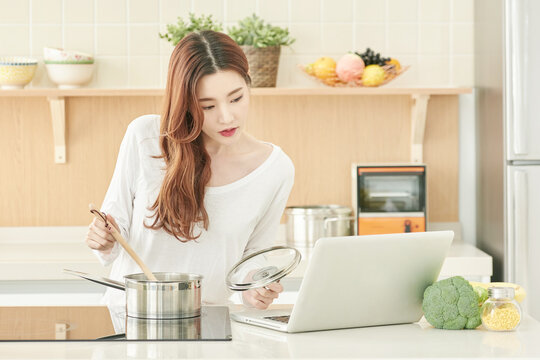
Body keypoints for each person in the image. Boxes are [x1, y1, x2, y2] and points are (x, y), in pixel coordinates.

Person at [85, 30, 295, 311]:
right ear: (184, 104)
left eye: (236, 98)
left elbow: (254, 252)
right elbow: (114, 226)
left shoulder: (275, 168)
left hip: (206, 322)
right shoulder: (144, 136)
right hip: (132, 318)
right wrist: (103, 238)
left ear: (248, 84)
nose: (227, 117)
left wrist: (254, 285)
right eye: (207, 106)